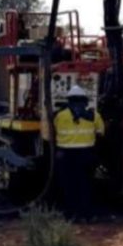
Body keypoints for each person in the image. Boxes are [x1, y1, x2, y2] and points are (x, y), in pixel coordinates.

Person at [52, 85, 104, 221]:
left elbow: (52, 131)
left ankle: (71, 216)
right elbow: (101, 133)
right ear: (85, 101)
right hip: (86, 155)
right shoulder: (94, 116)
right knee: (86, 185)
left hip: (66, 155)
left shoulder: (60, 116)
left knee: (69, 186)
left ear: (69, 101)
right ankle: (86, 215)